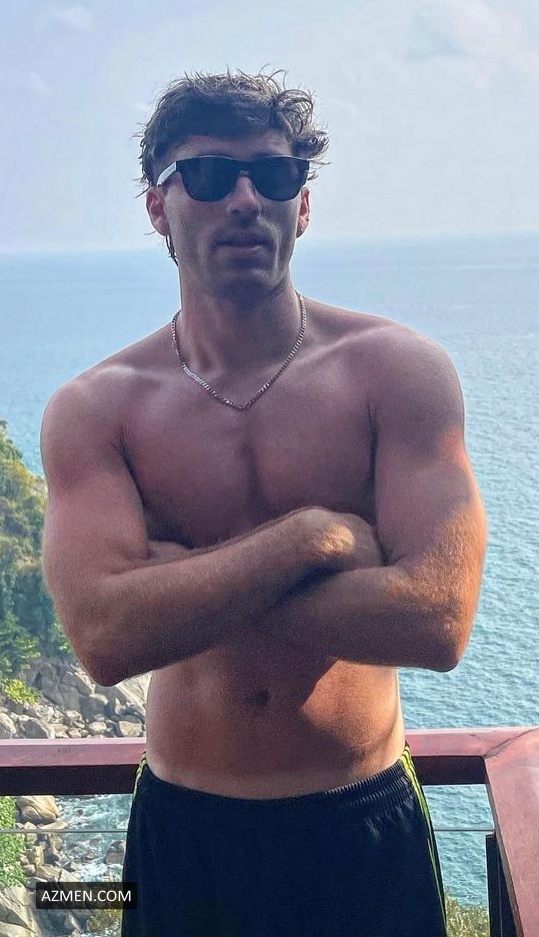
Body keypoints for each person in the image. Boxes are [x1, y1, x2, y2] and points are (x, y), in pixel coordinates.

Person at [41, 70, 487, 937]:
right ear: (159, 207)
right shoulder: (99, 408)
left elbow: (437, 620)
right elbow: (105, 637)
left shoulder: (396, 372)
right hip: (186, 830)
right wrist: (310, 539)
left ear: (302, 205)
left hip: (360, 820)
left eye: (275, 176)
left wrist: (178, 582)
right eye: (209, 175)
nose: (245, 199)